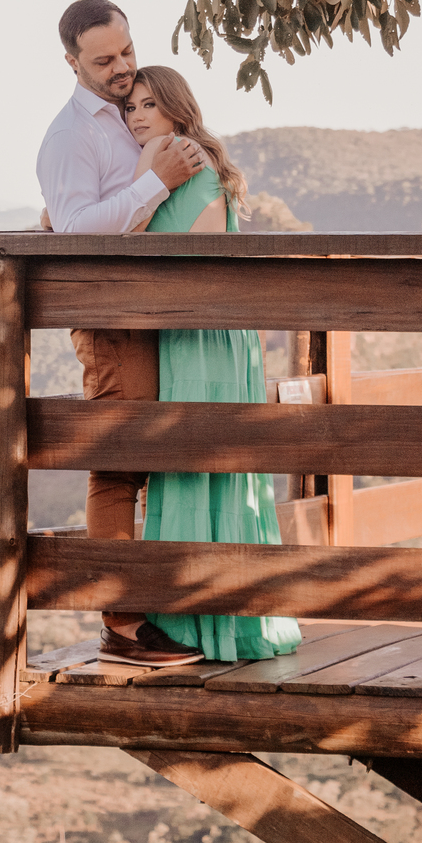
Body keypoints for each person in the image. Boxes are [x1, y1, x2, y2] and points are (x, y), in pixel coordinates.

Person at [36, 0, 206, 667]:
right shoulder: (69, 137)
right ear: (71, 62)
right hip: (109, 319)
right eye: (104, 60)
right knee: (117, 467)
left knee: (158, 458)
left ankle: (161, 607)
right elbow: (76, 229)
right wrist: (154, 183)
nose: (121, 67)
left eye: (127, 51)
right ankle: (123, 626)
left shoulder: (130, 112)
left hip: (154, 314)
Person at [124, 65, 302, 662]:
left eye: (149, 104)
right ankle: (227, 619)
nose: (137, 116)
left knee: (193, 464)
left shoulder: (178, 163)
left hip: (200, 332)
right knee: (221, 469)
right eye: (131, 108)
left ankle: (197, 625)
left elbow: (147, 245)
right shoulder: (192, 159)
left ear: (176, 108)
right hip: (221, 332)